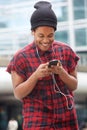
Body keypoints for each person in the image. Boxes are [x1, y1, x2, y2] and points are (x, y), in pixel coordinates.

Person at [7, 1, 80, 130]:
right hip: (37, 121)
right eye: (41, 35)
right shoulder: (20, 57)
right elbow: (18, 93)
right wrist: (36, 76)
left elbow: (74, 86)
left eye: (50, 35)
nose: (46, 40)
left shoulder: (66, 51)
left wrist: (62, 72)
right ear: (33, 32)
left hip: (66, 119)